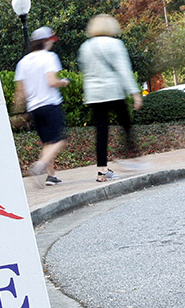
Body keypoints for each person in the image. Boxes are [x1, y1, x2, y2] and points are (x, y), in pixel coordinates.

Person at [78, 14, 143, 182]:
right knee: (126, 124)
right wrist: (135, 93)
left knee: (101, 132)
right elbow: (123, 70)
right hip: (113, 91)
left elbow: (84, 71)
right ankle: (130, 159)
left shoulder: (85, 46)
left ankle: (102, 171)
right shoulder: (115, 44)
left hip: (94, 94)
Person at [13, 26, 70, 186]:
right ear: (45, 41)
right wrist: (63, 82)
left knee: (48, 143)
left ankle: (51, 176)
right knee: (60, 140)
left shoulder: (23, 62)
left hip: (34, 108)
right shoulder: (49, 57)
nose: (52, 44)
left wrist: (17, 112)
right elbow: (51, 81)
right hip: (50, 104)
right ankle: (39, 165)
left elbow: (20, 92)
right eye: (50, 41)